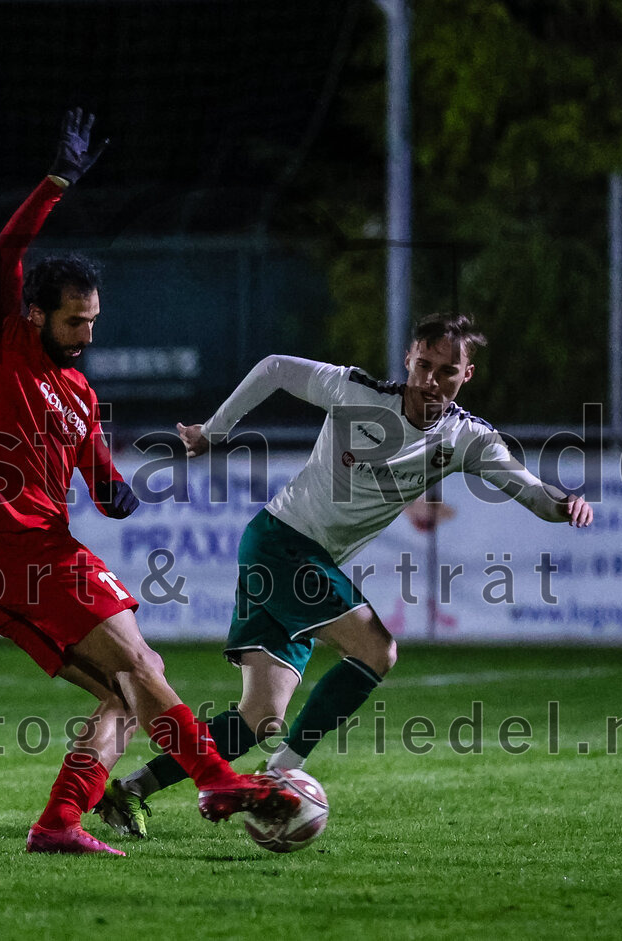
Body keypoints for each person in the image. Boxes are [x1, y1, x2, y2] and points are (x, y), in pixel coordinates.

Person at [96, 312, 594, 838]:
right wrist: (213, 431)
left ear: (466, 375)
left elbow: (533, 493)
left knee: (259, 718)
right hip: (281, 543)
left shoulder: (468, 438)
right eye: (423, 365)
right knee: (377, 650)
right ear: (408, 359)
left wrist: (567, 504)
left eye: (447, 371)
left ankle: (130, 790)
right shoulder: (357, 393)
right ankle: (282, 770)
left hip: (297, 556)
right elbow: (274, 368)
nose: (431, 380)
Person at [0, 108, 296, 856]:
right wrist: (55, 183)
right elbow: (7, 250)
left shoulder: (80, 393)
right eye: (74, 322)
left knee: (127, 690)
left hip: (30, 558)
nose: (88, 335)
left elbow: (100, 477)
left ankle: (59, 822)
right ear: (35, 314)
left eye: (93, 321)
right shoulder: (4, 345)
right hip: (21, 550)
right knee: (142, 667)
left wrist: (125, 484)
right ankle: (218, 780)